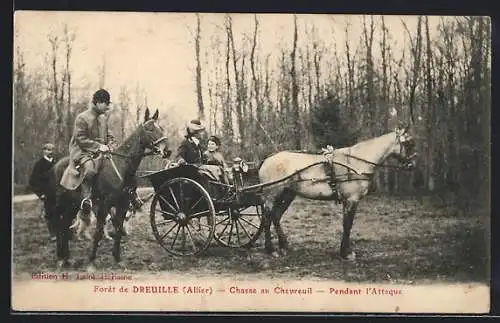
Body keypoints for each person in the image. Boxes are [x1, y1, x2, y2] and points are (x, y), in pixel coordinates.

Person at [66, 89, 116, 216]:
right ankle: (86, 199)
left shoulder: (103, 118)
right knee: (90, 169)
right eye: (106, 104)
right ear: (98, 102)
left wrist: (111, 142)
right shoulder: (82, 118)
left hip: (99, 152)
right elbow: (80, 139)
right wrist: (99, 146)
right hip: (82, 151)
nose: (108, 107)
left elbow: (108, 134)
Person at [29, 143, 58, 241]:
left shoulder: (57, 162)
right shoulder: (39, 165)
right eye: (49, 150)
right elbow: (33, 182)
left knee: (62, 212)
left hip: (59, 193)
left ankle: (64, 233)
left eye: (52, 149)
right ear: (44, 151)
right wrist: (40, 194)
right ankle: (53, 234)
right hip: (47, 195)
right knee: (50, 213)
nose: (51, 152)